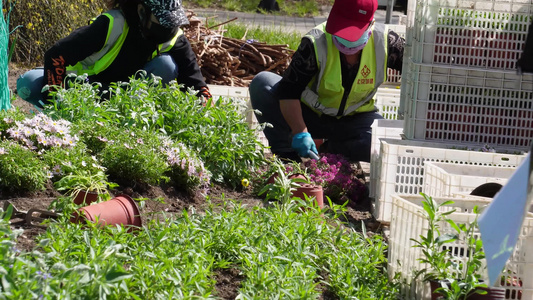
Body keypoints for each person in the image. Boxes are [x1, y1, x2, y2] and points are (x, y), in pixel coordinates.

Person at [249, 0, 404, 162]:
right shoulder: (315, 42)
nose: (344, 38)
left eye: (351, 33)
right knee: (263, 83)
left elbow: (421, 72)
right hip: (311, 115)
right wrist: (300, 131)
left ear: (370, 24)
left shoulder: (389, 44)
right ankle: (287, 157)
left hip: (356, 119)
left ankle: (328, 148)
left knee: (382, 146)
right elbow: (288, 92)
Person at [16, 0, 211, 108]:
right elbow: (56, 55)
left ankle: (129, 116)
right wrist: (54, 100)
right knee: (28, 84)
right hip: (82, 87)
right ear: (142, 11)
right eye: (163, 21)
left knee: (167, 65)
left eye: (173, 22)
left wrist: (202, 106)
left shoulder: (173, 36)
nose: (169, 28)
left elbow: (196, 83)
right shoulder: (112, 24)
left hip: (125, 97)